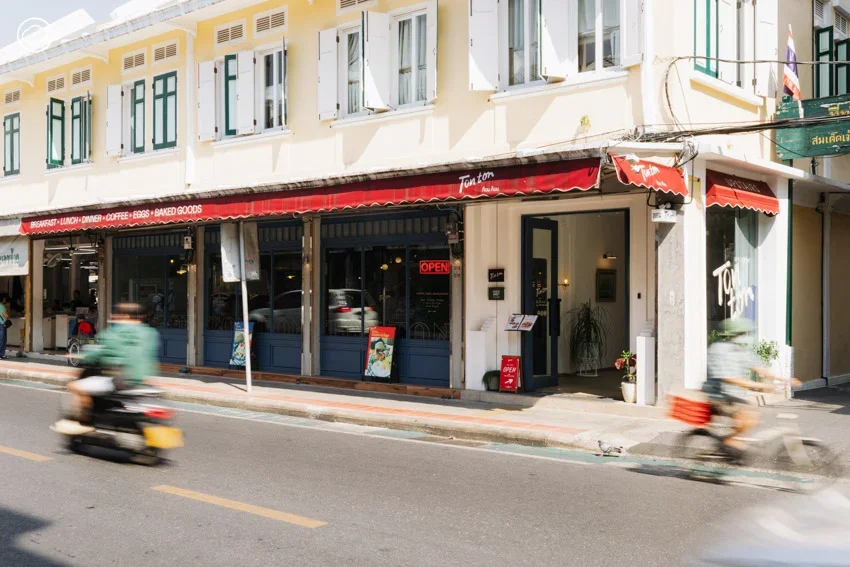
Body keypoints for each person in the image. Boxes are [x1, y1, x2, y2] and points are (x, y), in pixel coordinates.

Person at [55, 303, 159, 434]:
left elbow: (100, 353)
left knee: (75, 386)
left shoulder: (115, 332)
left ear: (125, 316)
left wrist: (82, 356)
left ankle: (83, 422)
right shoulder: (150, 333)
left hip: (120, 380)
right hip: (143, 381)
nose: (113, 318)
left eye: (116, 315)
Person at [703, 318, 796, 461]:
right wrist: (762, 386)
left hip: (733, 395)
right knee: (747, 416)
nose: (745, 335)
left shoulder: (741, 349)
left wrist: (785, 380)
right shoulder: (718, 349)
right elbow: (730, 378)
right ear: (732, 334)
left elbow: (759, 368)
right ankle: (729, 442)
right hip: (718, 395)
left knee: (752, 417)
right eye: (742, 333)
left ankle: (731, 441)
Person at [0, 296, 9, 360]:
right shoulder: (1, 306)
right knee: (2, 339)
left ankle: (1, 355)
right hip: (1, 324)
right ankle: (1, 354)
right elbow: (6, 315)